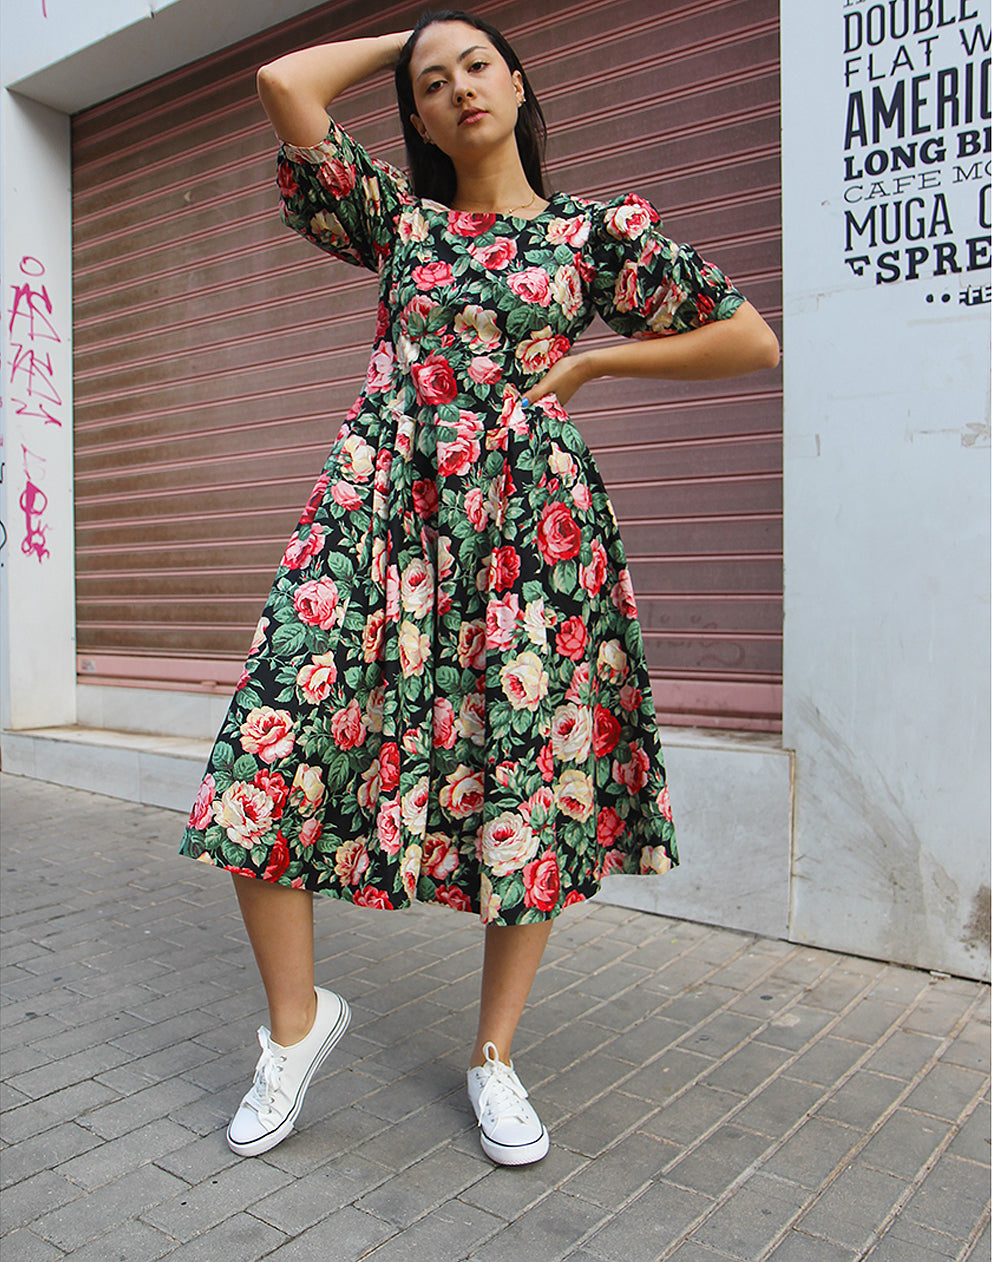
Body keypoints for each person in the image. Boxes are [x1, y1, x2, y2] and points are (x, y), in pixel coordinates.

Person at [179, 9, 780, 1167]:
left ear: (517, 81)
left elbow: (746, 338)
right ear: (415, 113)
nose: (459, 87)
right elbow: (280, 84)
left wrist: (601, 355)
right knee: (267, 752)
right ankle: (296, 1030)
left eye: (477, 64)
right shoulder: (398, 222)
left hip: (533, 529)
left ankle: (493, 1055)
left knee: (528, 775)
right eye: (432, 80)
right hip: (377, 514)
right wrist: (410, 27)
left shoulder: (596, 233)